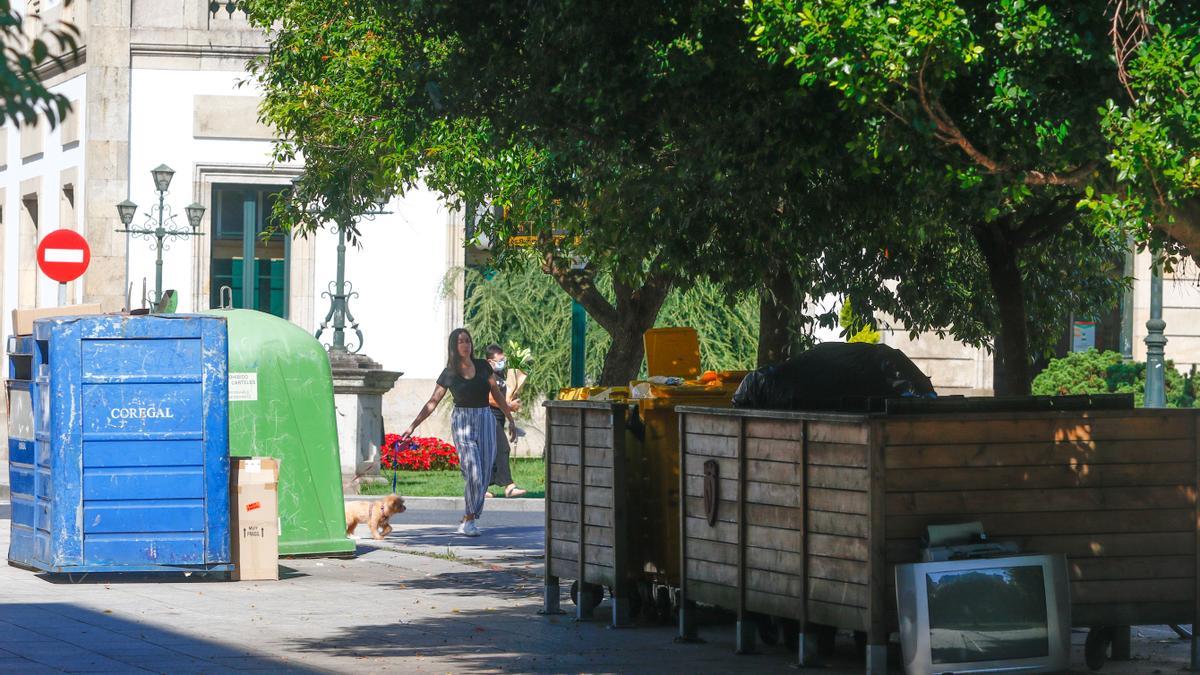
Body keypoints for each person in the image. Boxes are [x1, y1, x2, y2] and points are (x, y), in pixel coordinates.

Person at [401, 329, 518, 537]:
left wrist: (510, 420)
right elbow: (432, 402)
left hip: (485, 419)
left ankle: (469, 517)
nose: (465, 345)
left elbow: (498, 396)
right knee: (473, 472)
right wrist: (413, 426)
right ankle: (470, 518)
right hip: (463, 421)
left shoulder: (483, 367)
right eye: (461, 342)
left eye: (467, 341)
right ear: (454, 346)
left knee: (482, 475)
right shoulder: (450, 373)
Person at [485, 344, 528, 498]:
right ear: (490, 361)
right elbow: (489, 398)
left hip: (499, 416)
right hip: (489, 416)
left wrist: (510, 412)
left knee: (491, 452)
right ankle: (509, 486)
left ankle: (482, 487)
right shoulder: (486, 376)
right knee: (503, 448)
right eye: (499, 360)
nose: (502, 362)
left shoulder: (502, 376)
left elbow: (503, 398)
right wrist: (508, 405)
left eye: (503, 359)